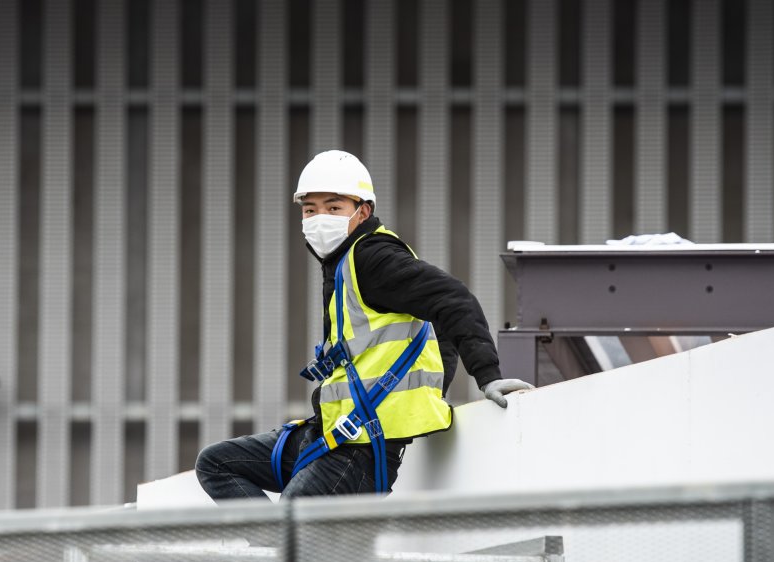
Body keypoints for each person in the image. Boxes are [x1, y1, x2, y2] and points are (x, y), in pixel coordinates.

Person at [196, 149, 533, 504]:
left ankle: (277, 555)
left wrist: (487, 374)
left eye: (334, 207)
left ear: (363, 211)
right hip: (332, 433)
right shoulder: (341, 264)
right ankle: (276, 554)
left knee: (289, 526)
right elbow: (432, 324)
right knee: (217, 464)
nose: (319, 218)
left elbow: (452, 300)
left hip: (361, 450)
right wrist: (435, 386)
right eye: (310, 210)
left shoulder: (373, 258)